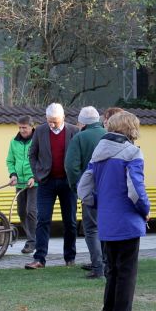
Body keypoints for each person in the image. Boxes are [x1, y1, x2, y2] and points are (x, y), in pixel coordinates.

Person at [77, 111, 150, 311]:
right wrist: (145, 210)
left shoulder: (98, 153)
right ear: (131, 128)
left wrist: (101, 204)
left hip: (107, 221)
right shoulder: (132, 152)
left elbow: (83, 189)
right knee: (126, 273)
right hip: (127, 221)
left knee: (112, 272)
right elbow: (135, 190)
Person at [26, 103, 80, 269]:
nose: (52, 124)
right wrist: (37, 174)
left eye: (55, 121)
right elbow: (32, 154)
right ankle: (39, 258)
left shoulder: (74, 131)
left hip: (68, 182)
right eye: (49, 120)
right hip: (46, 182)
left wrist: (76, 176)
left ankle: (70, 258)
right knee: (43, 220)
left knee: (70, 221)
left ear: (63, 117)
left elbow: (80, 155)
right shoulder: (40, 131)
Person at [65, 106, 107, 279]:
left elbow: (71, 166)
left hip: (90, 189)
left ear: (82, 123)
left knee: (92, 229)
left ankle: (98, 267)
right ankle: (107, 264)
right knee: (106, 227)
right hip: (110, 189)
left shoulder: (79, 137)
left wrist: (77, 188)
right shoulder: (108, 134)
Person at [6, 115, 37, 255]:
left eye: (24, 127)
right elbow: (10, 161)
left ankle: (32, 241)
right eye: (20, 127)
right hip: (20, 182)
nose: (22, 130)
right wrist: (13, 174)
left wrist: (34, 176)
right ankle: (33, 238)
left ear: (31, 126)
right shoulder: (14, 142)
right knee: (21, 211)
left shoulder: (38, 140)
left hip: (34, 182)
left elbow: (42, 160)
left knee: (31, 211)